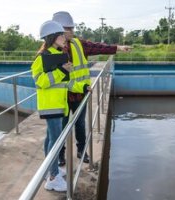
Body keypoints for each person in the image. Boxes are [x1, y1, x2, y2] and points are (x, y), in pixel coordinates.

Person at [52, 11, 131, 166]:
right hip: (61, 96)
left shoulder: (78, 44)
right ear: (57, 30)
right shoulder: (50, 50)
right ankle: (60, 155)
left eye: (71, 28)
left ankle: (82, 151)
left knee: (80, 124)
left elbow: (98, 47)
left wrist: (119, 48)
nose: (71, 32)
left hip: (80, 94)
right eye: (67, 29)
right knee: (61, 127)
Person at [31, 20, 72, 192]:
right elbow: (40, 82)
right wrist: (61, 71)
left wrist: (81, 86)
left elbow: (63, 83)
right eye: (61, 34)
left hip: (58, 105)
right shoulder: (42, 58)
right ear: (52, 37)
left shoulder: (57, 54)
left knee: (51, 139)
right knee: (55, 142)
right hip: (50, 106)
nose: (64, 37)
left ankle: (52, 171)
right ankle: (52, 178)